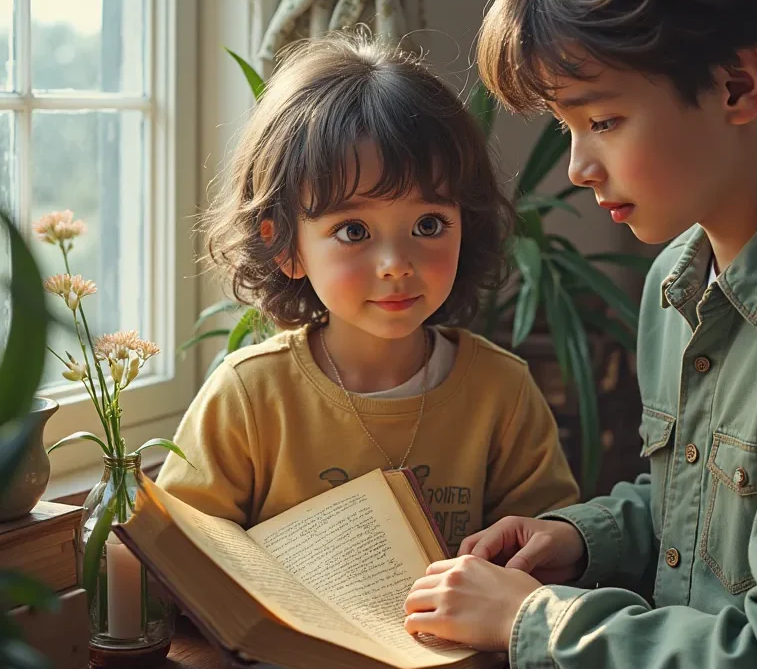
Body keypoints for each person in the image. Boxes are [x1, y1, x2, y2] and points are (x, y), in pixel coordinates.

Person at [403, 0, 757, 666]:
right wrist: (583, 538)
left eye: (606, 121)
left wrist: (533, 619)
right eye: (567, 128)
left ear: (738, 87)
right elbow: (701, 504)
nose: (579, 168)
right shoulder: (676, 280)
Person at [157, 32, 579, 555]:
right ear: (285, 245)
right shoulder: (249, 396)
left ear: (465, 225)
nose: (397, 266)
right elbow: (178, 556)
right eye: (354, 231)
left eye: (428, 224)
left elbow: (546, 546)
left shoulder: (502, 392)